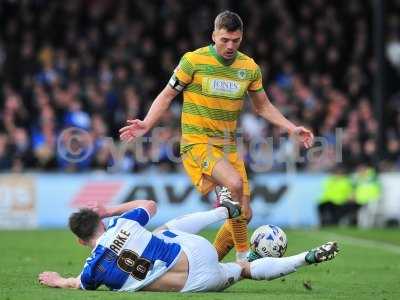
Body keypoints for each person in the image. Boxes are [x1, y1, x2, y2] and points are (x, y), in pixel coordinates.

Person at [119, 10, 314, 261]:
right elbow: (168, 94)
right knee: (233, 185)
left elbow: (263, 106)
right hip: (197, 142)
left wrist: (291, 128)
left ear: (241, 38)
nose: (230, 46)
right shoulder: (193, 61)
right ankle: (244, 259)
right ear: (214, 35)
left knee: (245, 214)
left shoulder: (249, 68)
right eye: (224, 40)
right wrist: (146, 123)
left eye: (235, 40)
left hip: (228, 147)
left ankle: (209, 262)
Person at [38, 199, 339, 293]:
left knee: (243, 269)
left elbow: (77, 284)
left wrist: (56, 281)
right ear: (101, 222)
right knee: (164, 229)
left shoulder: (93, 270)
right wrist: (108, 210)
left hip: (197, 284)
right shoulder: (121, 223)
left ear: (80, 240)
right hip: (194, 251)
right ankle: (223, 211)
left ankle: (305, 258)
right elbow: (150, 204)